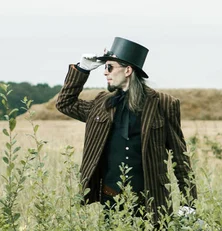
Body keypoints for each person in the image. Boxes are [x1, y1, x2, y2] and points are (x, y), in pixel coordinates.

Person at [56, 37, 196, 221]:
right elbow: (65, 103)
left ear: (128, 70)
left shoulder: (163, 104)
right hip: (111, 197)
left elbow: (180, 155)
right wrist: (82, 69)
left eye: (110, 67)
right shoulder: (101, 103)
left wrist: (189, 202)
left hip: (153, 199)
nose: (105, 72)